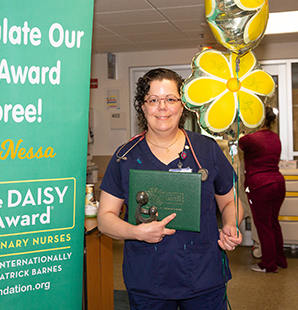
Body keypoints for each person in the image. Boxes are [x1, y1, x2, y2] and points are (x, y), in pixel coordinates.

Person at [97, 68, 243, 310]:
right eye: (153, 100)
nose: (162, 107)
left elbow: (230, 201)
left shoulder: (206, 150)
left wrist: (230, 224)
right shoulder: (125, 156)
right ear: (142, 107)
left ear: (182, 106)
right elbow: (104, 219)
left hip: (203, 277)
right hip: (148, 282)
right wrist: (138, 233)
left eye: (170, 99)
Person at [239, 107, 287, 273]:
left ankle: (268, 264)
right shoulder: (275, 137)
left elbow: (239, 142)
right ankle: (280, 260)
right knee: (273, 223)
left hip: (260, 186)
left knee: (264, 226)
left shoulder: (251, 139)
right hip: (278, 184)